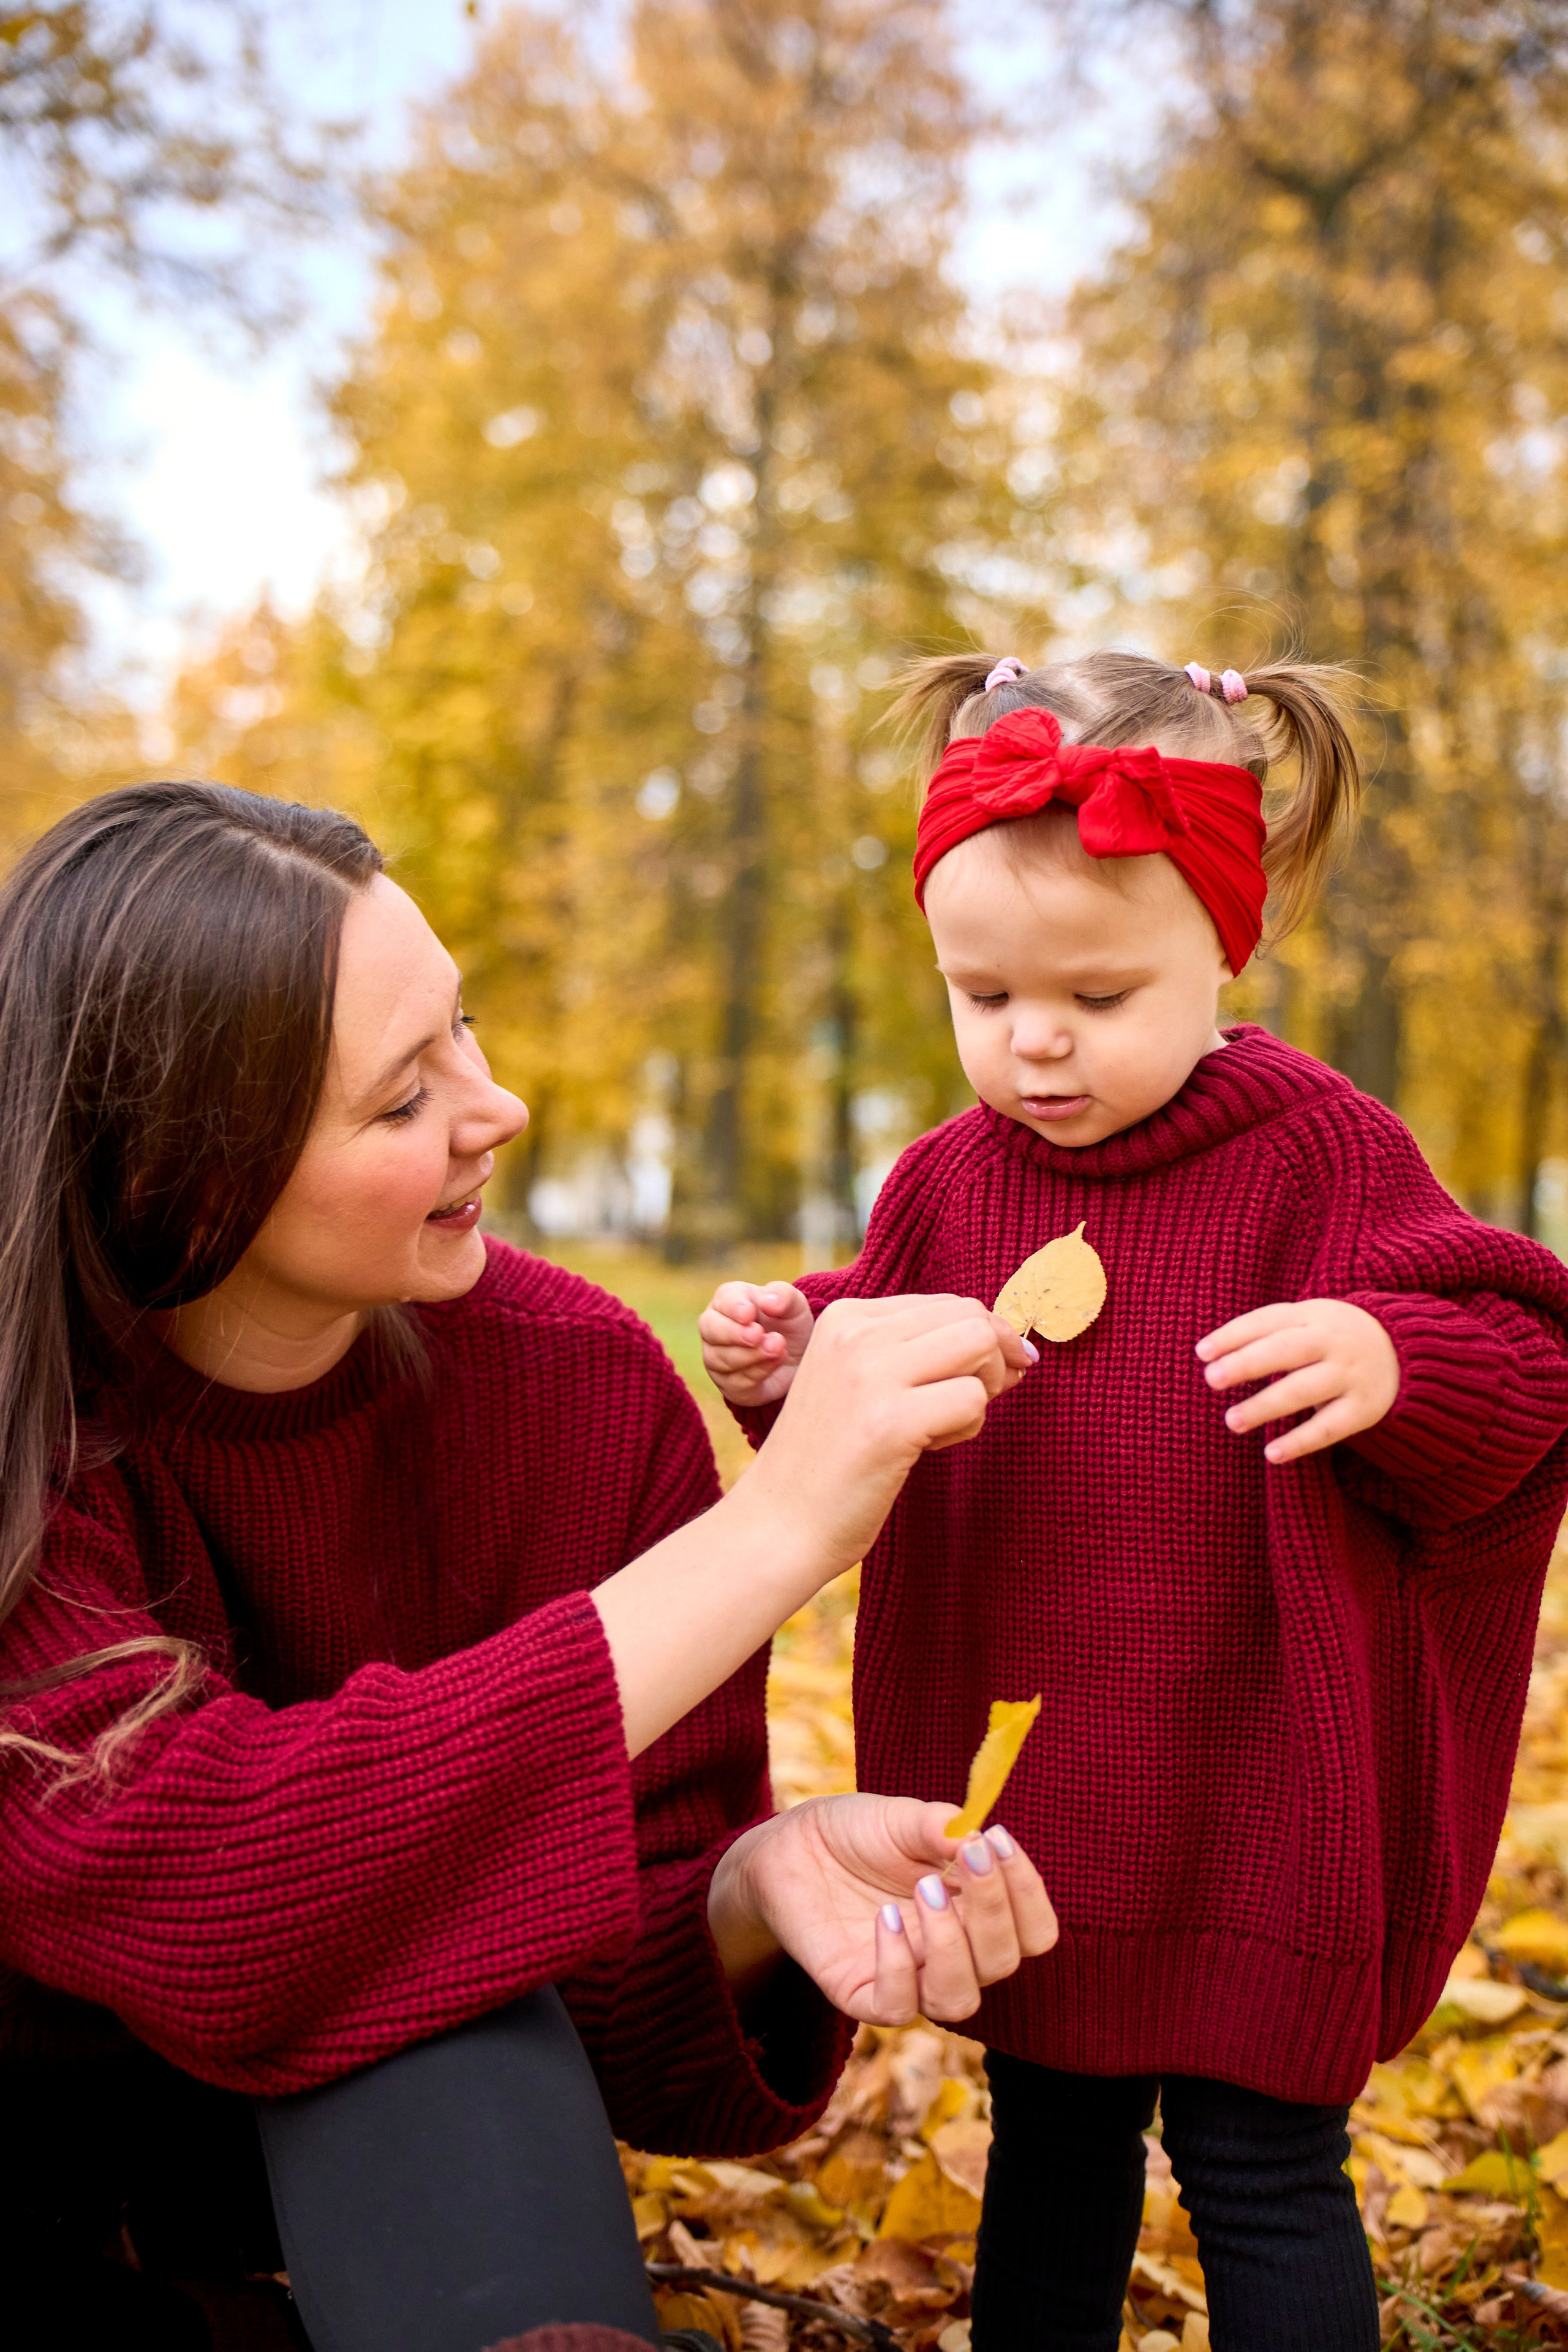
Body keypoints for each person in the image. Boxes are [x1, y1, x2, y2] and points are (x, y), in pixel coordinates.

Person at [0, 780, 1058, 2352]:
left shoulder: (576, 1389)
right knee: (366, 1891)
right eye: (398, 1099)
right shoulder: (31, 1417)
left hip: (387, 2161)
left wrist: (745, 1900)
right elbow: (207, 1887)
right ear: (188, 1170)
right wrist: (763, 1539)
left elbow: (624, 2032)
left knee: (429, 1937)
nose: (492, 1110)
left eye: (464, 1029)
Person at [700, 649, 1568, 2352]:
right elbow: (891, 1359)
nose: (1033, 1042)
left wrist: (1397, 1361)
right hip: (1035, 1777)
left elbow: (1528, 1370)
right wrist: (795, 1355)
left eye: (1098, 998)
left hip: (1255, 1773)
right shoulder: (943, 1182)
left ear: (1221, 949)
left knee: (1260, 2164)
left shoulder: (1320, 1154)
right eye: (982, 993)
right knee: (1053, 2142)